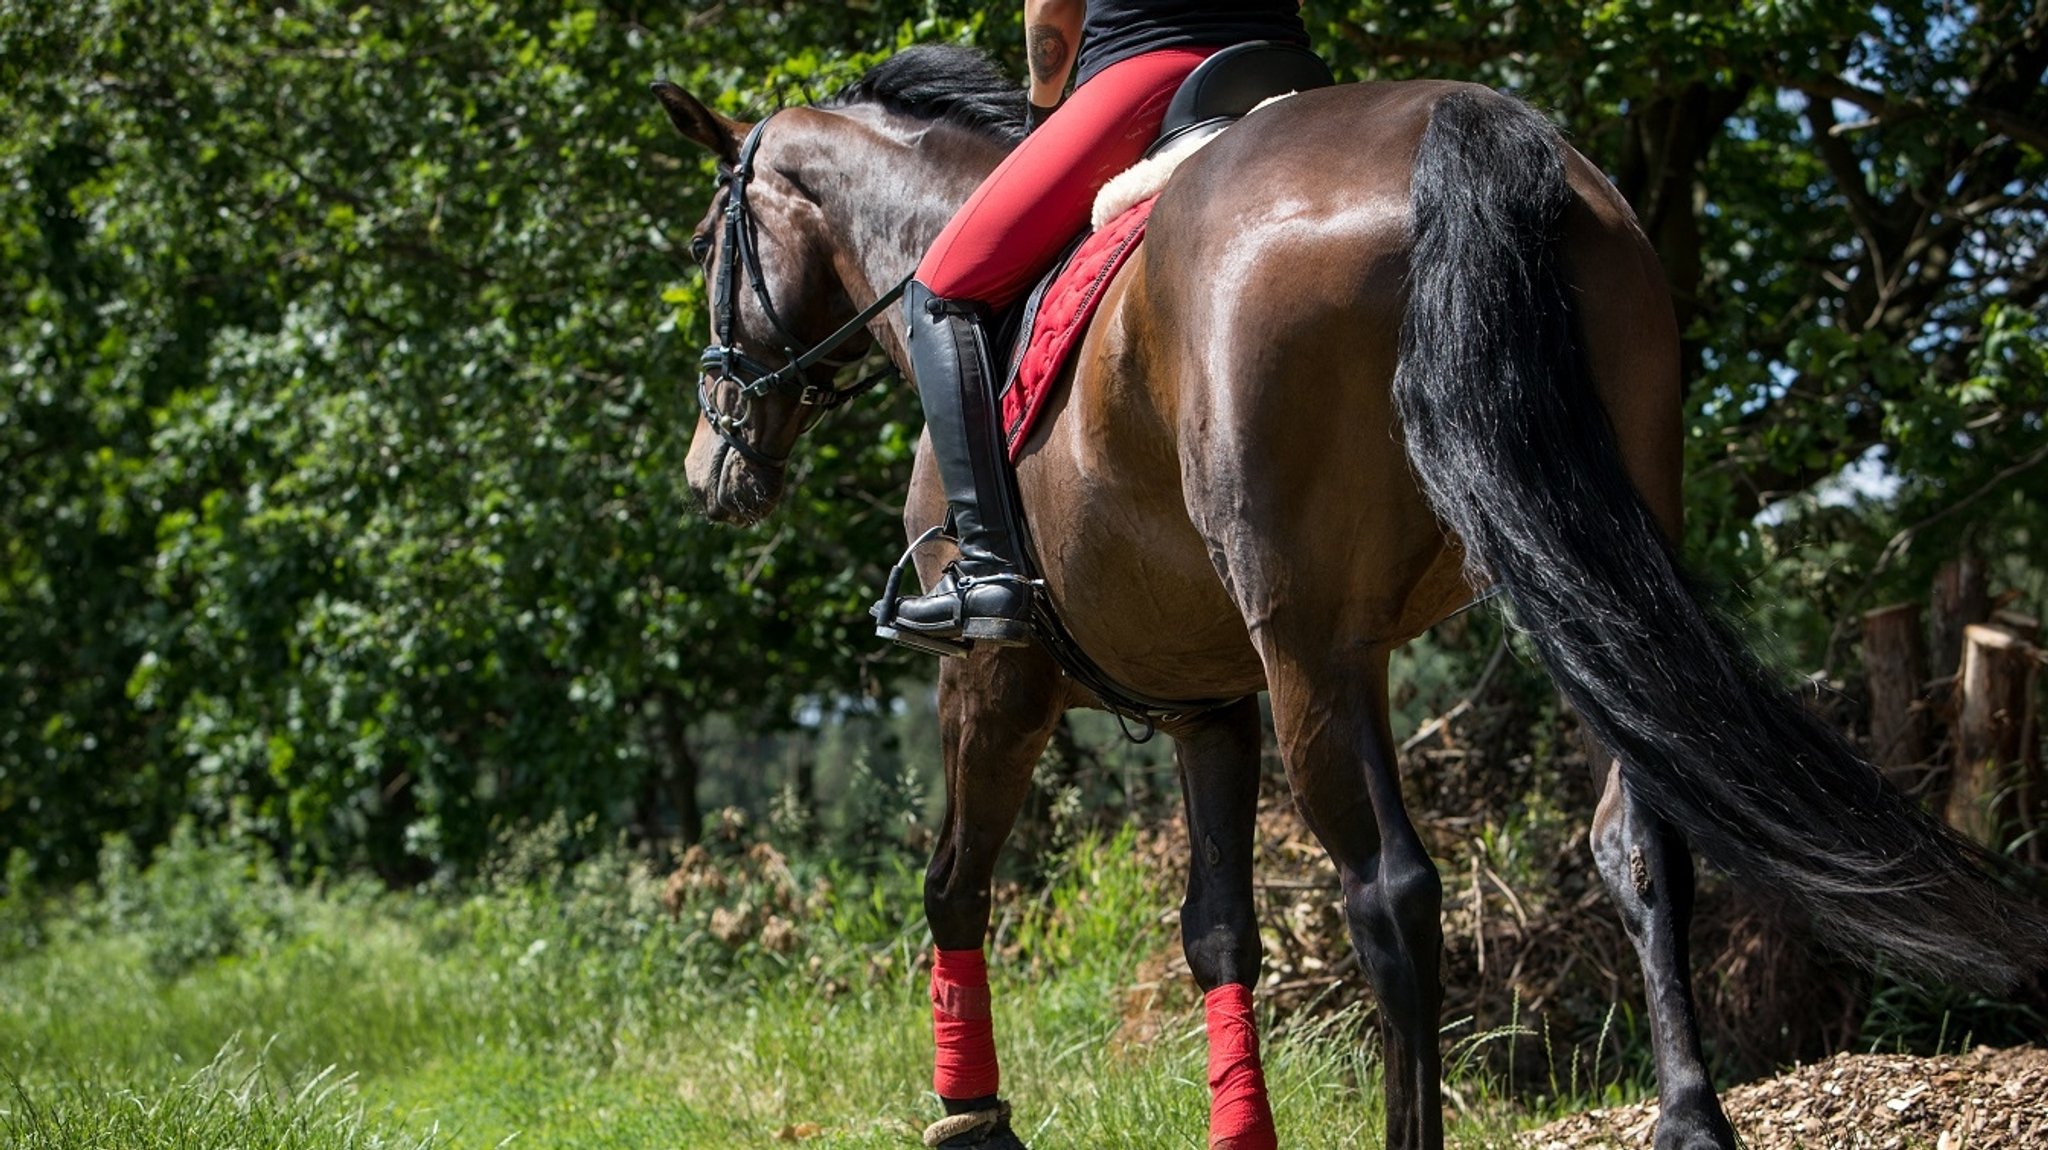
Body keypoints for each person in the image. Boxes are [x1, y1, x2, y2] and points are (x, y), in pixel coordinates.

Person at [881, 0, 1311, 653]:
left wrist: (1044, 110)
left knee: (940, 288)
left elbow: (1053, 9)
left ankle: (989, 573)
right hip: (1286, 68)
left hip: (1151, 68)